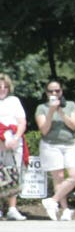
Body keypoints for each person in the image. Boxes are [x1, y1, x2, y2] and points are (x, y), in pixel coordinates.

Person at [36, 79, 75, 221]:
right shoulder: (41, 108)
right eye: (51, 91)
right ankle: (65, 209)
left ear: (61, 92)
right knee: (59, 177)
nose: (54, 93)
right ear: (46, 93)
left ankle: (52, 200)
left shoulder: (70, 105)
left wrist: (60, 112)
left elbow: (74, 125)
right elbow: (44, 130)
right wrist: (51, 111)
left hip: (70, 144)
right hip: (50, 145)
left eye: (57, 91)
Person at [0, 73, 28, 221]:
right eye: (0, 87)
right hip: (0, 141)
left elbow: (22, 122)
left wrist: (16, 138)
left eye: (5, 86)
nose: (2, 89)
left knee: (13, 174)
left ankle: (12, 208)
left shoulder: (14, 101)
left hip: (14, 141)